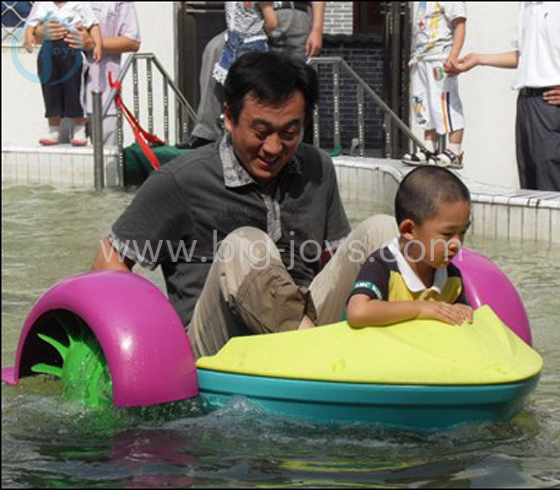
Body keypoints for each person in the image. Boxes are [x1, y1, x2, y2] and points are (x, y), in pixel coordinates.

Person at [92, 51, 397, 358]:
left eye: (290, 133)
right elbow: (108, 261)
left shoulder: (317, 168)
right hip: (218, 346)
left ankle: (413, 348)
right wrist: (142, 345)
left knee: (383, 230)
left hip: (309, 326)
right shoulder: (180, 181)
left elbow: (333, 262)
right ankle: (317, 355)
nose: (274, 148)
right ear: (228, 116)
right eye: (261, 132)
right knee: (245, 245)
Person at [347, 166, 474, 328]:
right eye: (448, 234)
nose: (457, 244)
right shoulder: (382, 265)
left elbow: (460, 312)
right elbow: (358, 312)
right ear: (409, 230)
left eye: (462, 232)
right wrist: (421, 308)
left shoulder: (451, 276)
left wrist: (463, 310)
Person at [189, 1, 325, 148]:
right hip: (253, 17)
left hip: (291, 14)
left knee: (294, 80)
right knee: (215, 49)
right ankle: (206, 134)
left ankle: (299, 145)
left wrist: (317, 29)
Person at [456, 2, 560, 191]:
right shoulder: (525, 5)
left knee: (551, 184)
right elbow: (523, 56)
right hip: (526, 103)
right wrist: (479, 59)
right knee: (530, 186)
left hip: (551, 105)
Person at [31, 2, 141, 146]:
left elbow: (132, 42)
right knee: (60, 162)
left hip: (102, 97)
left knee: (105, 162)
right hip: (62, 102)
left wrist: (94, 43)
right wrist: (40, 32)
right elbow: (33, 33)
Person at [25, 1, 103, 146]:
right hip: (48, 53)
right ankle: (53, 131)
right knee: (50, 90)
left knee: (74, 89)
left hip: (71, 51)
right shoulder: (44, 4)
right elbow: (31, 24)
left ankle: (79, 130)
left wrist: (98, 45)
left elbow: (93, 25)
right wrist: (29, 37)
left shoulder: (80, 4)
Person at [402, 2, 467, 169]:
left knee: (446, 103)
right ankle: (430, 147)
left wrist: (453, 56)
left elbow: (460, 24)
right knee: (422, 104)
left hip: (440, 57)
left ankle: (455, 151)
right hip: (421, 58)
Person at [213, 2, 278, 85]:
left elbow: (272, 23)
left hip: (252, 44)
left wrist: (260, 33)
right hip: (231, 44)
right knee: (232, 86)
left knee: (250, 85)